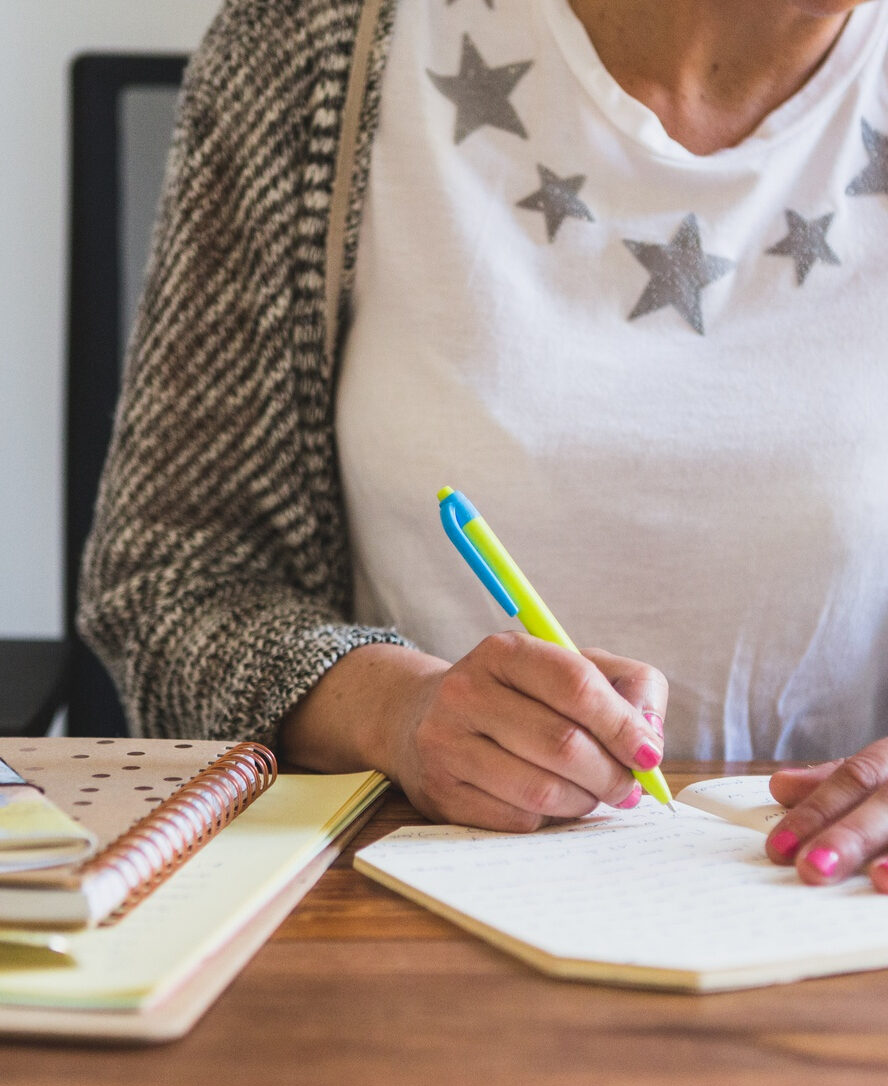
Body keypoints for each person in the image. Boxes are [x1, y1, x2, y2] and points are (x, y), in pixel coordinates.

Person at [79, 0, 888, 892]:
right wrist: (395, 709)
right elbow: (165, 580)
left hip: (832, 909)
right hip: (379, 902)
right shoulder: (315, 44)